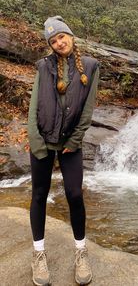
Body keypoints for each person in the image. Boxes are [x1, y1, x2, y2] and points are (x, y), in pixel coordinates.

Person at [28, 15, 99, 286]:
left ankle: (81, 252)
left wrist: (75, 140)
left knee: (74, 194)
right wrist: (36, 141)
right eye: (53, 40)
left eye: (61, 36)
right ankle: (38, 254)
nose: (59, 42)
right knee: (38, 195)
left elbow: (88, 109)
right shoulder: (43, 67)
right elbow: (34, 105)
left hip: (71, 143)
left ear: (70, 35)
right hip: (43, 140)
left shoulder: (91, 66)